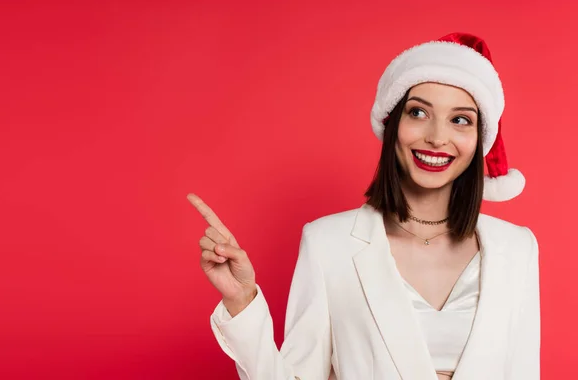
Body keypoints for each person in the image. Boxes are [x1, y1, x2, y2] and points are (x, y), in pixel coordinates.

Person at [187, 33, 540, 380]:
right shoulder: (328, 242)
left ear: (480, 138)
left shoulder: (516, 248)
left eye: (460, 119)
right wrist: (242, 300)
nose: (436, 136)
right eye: (418, 112)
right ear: (392, 123)